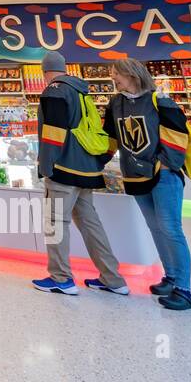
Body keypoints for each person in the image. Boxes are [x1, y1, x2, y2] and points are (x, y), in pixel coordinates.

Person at [31, 51, 128, 297]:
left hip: (64, 167)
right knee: (90, 223)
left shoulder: (54, 90)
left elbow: (53, 132)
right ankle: (113, 278)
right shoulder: (80, 89)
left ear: (45, 71)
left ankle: (61, 278)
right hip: (86, 167)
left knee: (56, 224)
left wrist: (46, 165)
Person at [104, 57, 191, 311]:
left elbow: (178, 139)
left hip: (163, 176)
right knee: (155, 228)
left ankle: (185, 290)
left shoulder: (161, 102)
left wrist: (165, 164)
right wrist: (95, 161)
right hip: (134, 175)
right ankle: (170, 277)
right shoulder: (115, 104)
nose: (113, 78)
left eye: (116, 74)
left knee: (170, 228)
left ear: (132, 74)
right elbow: (111, 138)